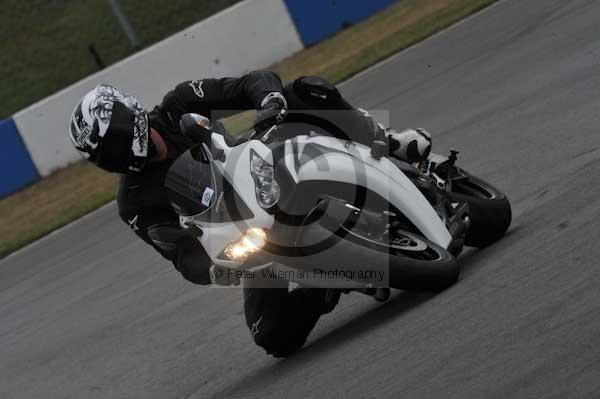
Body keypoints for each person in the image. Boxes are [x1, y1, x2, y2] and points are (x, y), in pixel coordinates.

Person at [68, 70, 432, 357]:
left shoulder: (179, 104)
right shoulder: (134, 202)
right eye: (104, 155)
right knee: (271, 336)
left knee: (303, 91)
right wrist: (219, 268)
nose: (116, 154)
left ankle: (387, 140)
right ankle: (329, 281)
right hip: (248, 236)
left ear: (129, 115)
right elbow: (182, 255)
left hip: (261, 167)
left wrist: (268, 100)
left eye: (114, 140)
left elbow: (249, 83)